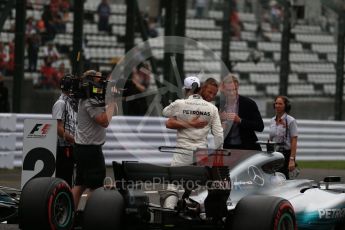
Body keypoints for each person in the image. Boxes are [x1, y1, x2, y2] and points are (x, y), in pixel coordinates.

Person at [161, 75, 223, 209]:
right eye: (210, 92)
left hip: (183, 150)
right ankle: (202, 214)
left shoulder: (180, 104)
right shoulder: (212, 109)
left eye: (214, 93)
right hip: (201, 152)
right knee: (200, 186)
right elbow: (218, 134)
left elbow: (165, 112)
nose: (212, 96)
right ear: (201, 89)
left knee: (173, 184)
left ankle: (168, 212)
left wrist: (185, 117)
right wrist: (219, 153)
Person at [72, 70, 118, 209]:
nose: (103, 83)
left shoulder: (89, 99)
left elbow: (112, 112)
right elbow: (104, 121)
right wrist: (111, 100)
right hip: (90, 149)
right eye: (99, 80)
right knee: (95, 187)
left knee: (80, 184)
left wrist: (111, 99)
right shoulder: (90, 100)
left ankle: (71, 215)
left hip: (83, 148)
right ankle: (89, 217)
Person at [219, 74, 264, 150]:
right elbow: (215, 131)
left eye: (234, 89)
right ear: (223, 89)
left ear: (238, 87)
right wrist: (219, 121)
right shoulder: (219, 106)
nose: (232, 93)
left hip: (247, 147)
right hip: (227, 147)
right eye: (229, 90)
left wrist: (240, 120)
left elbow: (260, 127)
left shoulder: (249, 104)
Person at [52, 74, 78, 187]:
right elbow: (58, 128)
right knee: (64, 179)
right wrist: (74, 140)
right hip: (63, 148)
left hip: (70, 146)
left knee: (69, 178)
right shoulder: (60, 103)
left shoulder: (71, 103)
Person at [269, 95, 298, 179]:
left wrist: (292, 159)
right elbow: (270, 138)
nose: (277, 105)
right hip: (274, 153)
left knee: (284, 179)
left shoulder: (291, 120)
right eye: (276, 103)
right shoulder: (272, 120)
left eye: (280, 104)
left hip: (286, 154)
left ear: (286, 106)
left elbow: (294, 140)